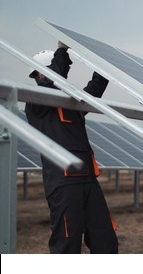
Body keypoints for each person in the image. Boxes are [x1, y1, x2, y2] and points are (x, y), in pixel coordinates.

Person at [25, 41, 118, 254]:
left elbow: (92, 91)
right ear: (40, 75)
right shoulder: (36, 103)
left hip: (87, 179)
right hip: (63, 182)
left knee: (104, 236)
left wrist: (101, 68)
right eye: (46, 72)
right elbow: (53, 80)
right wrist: (62, 50)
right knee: (67, 241)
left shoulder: (71, 103)